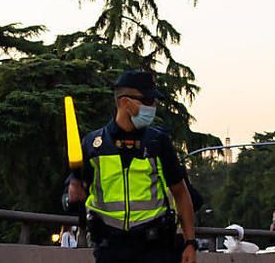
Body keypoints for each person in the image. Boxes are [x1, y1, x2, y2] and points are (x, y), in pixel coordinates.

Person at [67, 70, 197, 263]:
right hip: (110, 247)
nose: (152, 107)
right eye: (147, 101)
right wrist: (72, 194)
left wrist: (190, 243)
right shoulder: (93, 144)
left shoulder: (158, 141)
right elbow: (75, 192)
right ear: (125, 102)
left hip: (154, 247)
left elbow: (181, 193)